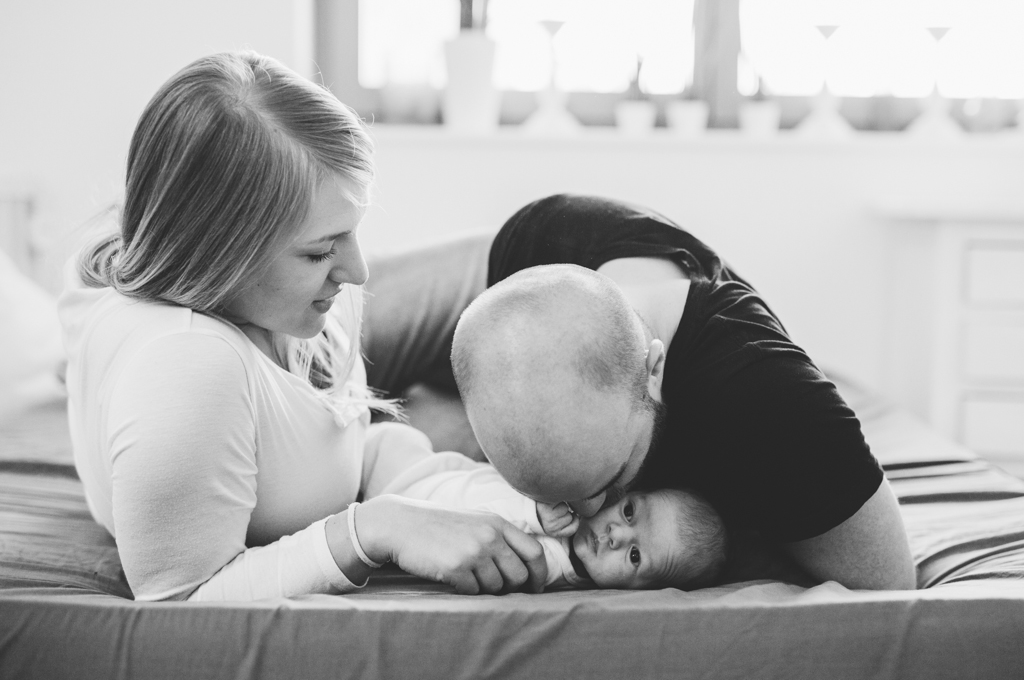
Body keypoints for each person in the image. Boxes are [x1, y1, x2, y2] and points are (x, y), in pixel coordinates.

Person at [57, 51, 548, 602]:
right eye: (318, 253)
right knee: (520, 272)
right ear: (219, 253)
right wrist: (371, 531)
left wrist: (527, 512)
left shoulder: (269, 310)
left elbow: (358, 448)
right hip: (314, 433)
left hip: (357, 431)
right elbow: (182, 602)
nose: (358, 271)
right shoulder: (187, 367)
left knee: (522, 282)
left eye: (351, 232)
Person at [365, 194, 916, 591]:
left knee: (351, 457)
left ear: (653, 372)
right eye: (546, 493)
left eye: (607, 483)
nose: (579, 517)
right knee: (305, 347)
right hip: (520, 256)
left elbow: (891, 587)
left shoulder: (768, 407)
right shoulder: (546, 244)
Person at [374, 427, 727, 590]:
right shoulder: (577, 494)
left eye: (635, 556)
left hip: (394, 488)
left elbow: (474, 528)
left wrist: (531, 514)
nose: (616, 535)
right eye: (630, 512)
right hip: (417, 462)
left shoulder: (548, 565)